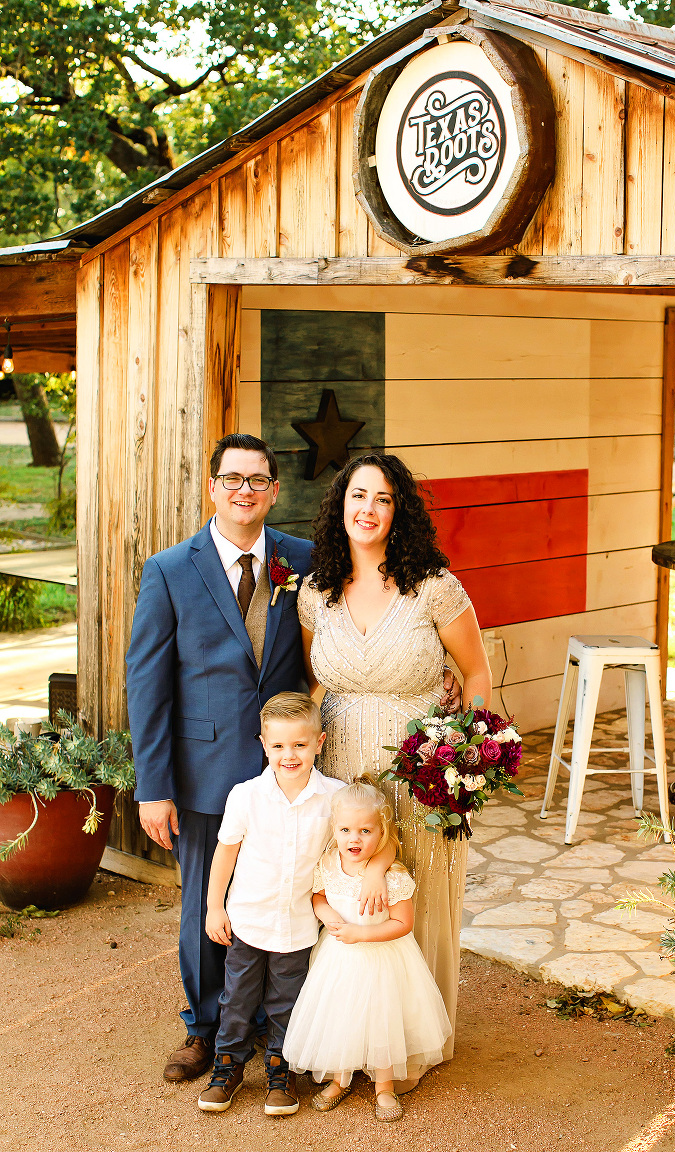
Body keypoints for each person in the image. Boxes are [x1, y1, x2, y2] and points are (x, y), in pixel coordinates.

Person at [126, 433, 315, 1083]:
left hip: (285, 768)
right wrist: (154, 786)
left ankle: (273, 1024)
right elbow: (148, 683)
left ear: (274, 491)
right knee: (208, 904)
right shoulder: (170, 570)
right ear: (212, 488)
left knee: (285, 892)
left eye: (257, 480)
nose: (244, 491)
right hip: (201, 771)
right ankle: (205, 1029)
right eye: (232, 479)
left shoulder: (300, 560)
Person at [298, 453, 492, 1082]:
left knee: (417, 898)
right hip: (344, 774)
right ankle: (347, 1044)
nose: (368, 509)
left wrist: (466, 754)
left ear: (398, 512)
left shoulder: (433, 586)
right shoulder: (316, 592)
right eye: (358, 495)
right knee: (352, 894)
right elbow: (314, 682)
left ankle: (411, 1044)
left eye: (383, 499)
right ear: (340, 505)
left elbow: (476, 672)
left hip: (421, 772)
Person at [198, 694, 394, 1116]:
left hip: (300, 925)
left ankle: (280, 1071)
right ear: (264, 745)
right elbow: (225, 854)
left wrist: (377, 870)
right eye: (279, 745)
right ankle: (227, 1066)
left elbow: (380, 834)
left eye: (300, 745)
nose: (290, 755)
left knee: (287, 1002)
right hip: (249, 920)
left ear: (319, 743)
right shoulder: (246, 796)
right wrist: (215, 907)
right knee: (238, 999)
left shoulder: (335, 797)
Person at [283, 777, 451, 1122]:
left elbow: (402, 923)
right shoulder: (329, 864)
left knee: (381, 1019)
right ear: (334, 829)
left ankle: (384, 1086)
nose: (354, 839)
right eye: (345, 830)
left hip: (381, 959)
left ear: (381, 832)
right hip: (339, 959)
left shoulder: (392, 874)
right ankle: (340, 1078)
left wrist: (361, 933)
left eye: (365, 831)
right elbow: (318, 896)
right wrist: (326, 914)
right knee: (340, 1015)